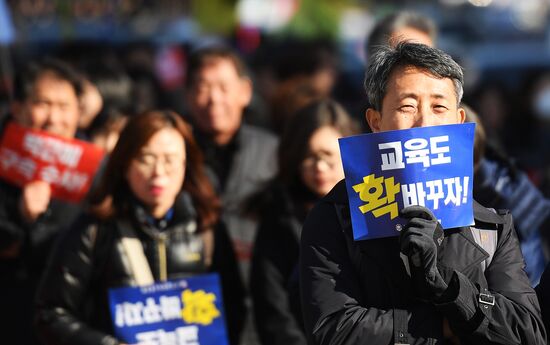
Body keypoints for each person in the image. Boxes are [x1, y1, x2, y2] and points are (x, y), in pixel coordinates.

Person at [300, 42, 546, 344]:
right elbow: (333, 329)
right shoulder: (336, 217)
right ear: (375, 122)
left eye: (438, 107)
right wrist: (437, 328)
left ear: (458, 122)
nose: (424, 123)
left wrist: (448, 285)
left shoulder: (491, 226)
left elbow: (527, 333)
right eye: (407, 106)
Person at [35, 110, 246, 345]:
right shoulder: (95, 229)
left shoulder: (207, 228)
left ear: (186, 164)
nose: (158, 172)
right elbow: (51, 314)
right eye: (146, 158)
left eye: (170, 160)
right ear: (125, 164)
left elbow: (234, 307)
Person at [250, 100, 359, 345]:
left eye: (328, 157)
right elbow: (271, 305)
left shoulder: (372, 211)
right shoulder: (279, 217)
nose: (319, 168)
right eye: (309, 157)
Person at [0, 58, 84, 345]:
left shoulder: (94, 170)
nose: (54, 119)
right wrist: (21, 219)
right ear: (17, 108)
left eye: (64, 107)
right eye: (43, 104)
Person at [184, 45, 278, 285]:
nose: (214, 99)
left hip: (258, 288)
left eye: (223, 88)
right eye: (203, 87)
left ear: (245, 92)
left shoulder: (273, 152)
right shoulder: (174, 153)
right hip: (192, 286)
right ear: (188, 95)